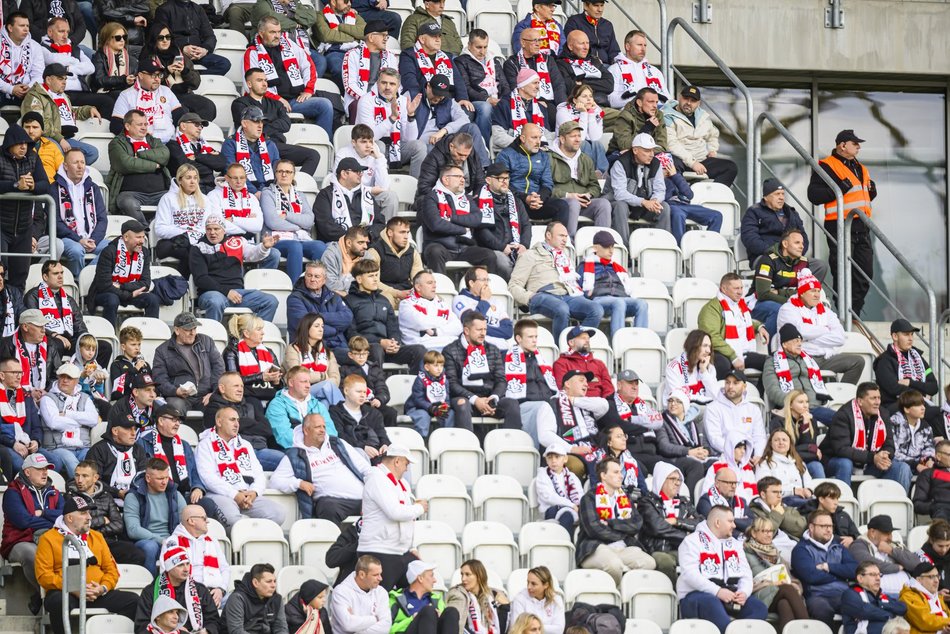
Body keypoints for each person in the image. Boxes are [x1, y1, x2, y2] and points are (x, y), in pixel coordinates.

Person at [35, 492, 139, 634]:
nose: (89, 517)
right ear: (70, 518)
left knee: (133, 600)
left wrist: (102, 588)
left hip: (95, 593)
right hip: (67, 593)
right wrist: (73, 588)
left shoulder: (97, 537)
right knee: (57, 602)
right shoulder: (48, 538)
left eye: (89, 513)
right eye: (83, 513)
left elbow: (112, 570)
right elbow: (44, 576)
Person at [807, 129, 876, 317]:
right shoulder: (826, 166)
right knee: (842, 271)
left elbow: (862, 195)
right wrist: (838, 189)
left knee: (865, 273)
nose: (858, 146)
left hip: (862, 226)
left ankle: (853, 311)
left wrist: (872, 192)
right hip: (839, 225)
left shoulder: (861, 168)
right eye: (855, 143)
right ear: (842, 145)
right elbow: (813, 195)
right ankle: (844, 312)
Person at [677, 505, 768, 633]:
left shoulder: (735, 544)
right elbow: (690, 575)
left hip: (730, 594)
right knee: (712, 603)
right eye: (730, 521)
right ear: (718, 523)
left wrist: (744, 592)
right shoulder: (691, 541)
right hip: (696, 596)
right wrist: (717, 591)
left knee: (759, 608)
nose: (734, 526)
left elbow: (746, 574)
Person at [508, 221, 603, 337]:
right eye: (561, 236)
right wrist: (530, 296)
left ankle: (574, 343)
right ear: (548, 235)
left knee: (596, 309)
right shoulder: (529, 255)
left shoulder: (565, 257)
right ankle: (561, 349)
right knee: (561, 309)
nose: (565, 240)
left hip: (568, 295)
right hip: (543, 295)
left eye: (566, 237)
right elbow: (513, 285)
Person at [196, 406, 286, 527]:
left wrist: (254, 492)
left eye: (238, 420)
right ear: (219, 422)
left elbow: (258, 473)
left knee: (278, 514)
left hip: (247, 495)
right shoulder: (205, 445)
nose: (237, 424)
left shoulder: (245, 444)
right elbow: (208, 478)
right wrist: (234, 494)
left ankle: (254, 542)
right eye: (232, 420)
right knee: (232, 520)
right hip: (220, 494)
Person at [270, 412, 368, 522]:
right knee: (327, 507)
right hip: (334, 503)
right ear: (306, 430)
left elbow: (364, 468)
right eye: (318, 427)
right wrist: (299, 483)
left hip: (364, 500)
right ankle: (335, 539)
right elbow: (275, 480)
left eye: (324, 427)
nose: (323, 430)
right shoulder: (295, 455)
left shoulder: (337, 443)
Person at [244, 17, 334, 137]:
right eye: (272, 32)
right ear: (261, 33)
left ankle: (324, 142)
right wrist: (277, 99)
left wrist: (308, 90)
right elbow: (251, 85)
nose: (277, 36)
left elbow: (309, 65)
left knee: (325, 105)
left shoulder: (289, 44)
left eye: (279, 31)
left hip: (294, 101)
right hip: (268, 104)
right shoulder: (252, 52)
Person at [575, 456, 656, 583]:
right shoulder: (589, 498)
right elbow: (594, 530)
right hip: (596, 548)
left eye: (620, 472)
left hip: (623, 547)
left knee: (649, 563)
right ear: (603, 475)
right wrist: (623, 532)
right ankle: (616, 596)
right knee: (614, 565)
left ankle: (629, 595)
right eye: (616, 472)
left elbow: (637, 524)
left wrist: (610, 523)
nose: (621, 476)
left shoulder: (625, 498)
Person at [357, 446, 427, 590]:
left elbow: (406, 516)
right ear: (397, 461)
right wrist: (420, 508)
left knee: (419, 586)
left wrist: (411, 547)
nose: (407, 469)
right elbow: (395, 512)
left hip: (398, 550)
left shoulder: (401, 484)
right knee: (378, 598)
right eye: (406, 464)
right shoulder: (377, 478)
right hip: (379, 550)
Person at [777, 269, 865, 383]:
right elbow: (798, 333)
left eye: (818, 291)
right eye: (813, 291)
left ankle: (843, 396)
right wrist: (825, 330)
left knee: (858, 361)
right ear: (802, 293)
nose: (817, 295)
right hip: (800, 358)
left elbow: (840, 338)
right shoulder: (788, 309)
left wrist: (808, 339)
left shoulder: (826, 311)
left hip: (824, 357)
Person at [820, 381, 911, 490]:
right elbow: (842, 449)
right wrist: (873, 457)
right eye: (873, 398)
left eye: (879, 398)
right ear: (860, 401)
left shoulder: (883, 414)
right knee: (845, 463)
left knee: (902, 468)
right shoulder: (843, 415)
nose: (877, 402)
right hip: (836, 461)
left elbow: (889, 444)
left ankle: (895, 503)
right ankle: (843, 502)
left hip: (869, 462)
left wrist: (885, 455)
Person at [0, 453, 63, 611]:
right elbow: (23, 521)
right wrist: (54, 521)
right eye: (39, 469)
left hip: (49, 538)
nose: (45, 472)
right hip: (19, 541)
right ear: (27, 472)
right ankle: (50, 595)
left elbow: (65, 516)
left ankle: (41, 598)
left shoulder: (55, 492)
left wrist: (43, 513)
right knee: (33, 554)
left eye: (46, 469)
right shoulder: (13, 492)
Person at [189, 215, 280, 323]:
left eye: (216, 229)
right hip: (211, 293)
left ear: (224, 230)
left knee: (270, 301)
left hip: (238, 294)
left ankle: (253, 337)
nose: (212, 232)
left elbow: (253, 254)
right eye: (209, 229)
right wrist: (226, 292)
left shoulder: (237, 242)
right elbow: (201, 278)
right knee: (216, 301)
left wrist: (264, 247)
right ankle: (214, 338)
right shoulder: (197, 248)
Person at [233, 69, 321, 177]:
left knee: (313, 155)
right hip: (253, 147)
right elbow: (248, 128)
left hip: (278, 145)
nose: (264, 84)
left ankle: (295, 186)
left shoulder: (276, 104)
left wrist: (264, 126)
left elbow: (286, 124)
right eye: (259, 80)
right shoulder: (240, 103)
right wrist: (273, 123)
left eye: (265, 80)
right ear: (249, 84)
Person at [344, 258, 427, 372]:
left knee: (419, 350)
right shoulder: (349, 301)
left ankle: (417, 387)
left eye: (376, 275)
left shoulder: (384, 300)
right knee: (377, 349)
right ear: (359, 279)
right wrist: (380, 342)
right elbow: (351, 333)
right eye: (371, 276)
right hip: (366, 348)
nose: (375, 279)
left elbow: (393, 327)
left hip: (388, 348)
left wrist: (394, 342)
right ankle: (378, 387)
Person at [138, 404, 216, 521]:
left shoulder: (184, 445)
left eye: (179, 421)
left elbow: (194, 471)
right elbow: (142, 473)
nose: (177, 424)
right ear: (160, 420)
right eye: (173, 420)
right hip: (160, 494)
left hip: (184, 493)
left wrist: (197, 488)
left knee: (208, 504)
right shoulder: (144, 443)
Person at [419, 165, 499, 276]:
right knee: (435, 252)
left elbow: (477, 219)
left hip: (465, 247)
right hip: (440, 245)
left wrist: (451, 218)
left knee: (489, 255)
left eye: (463, 177)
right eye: (458, 176)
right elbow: (436, 224)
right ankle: (440, 291)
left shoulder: (467, 198)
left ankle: (483, 290)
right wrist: (462, 229)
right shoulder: (430, 198)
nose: (463, 180)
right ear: (446, 179)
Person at [741, 178, 828, 280]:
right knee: (774, 265)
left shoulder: (791, 213)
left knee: (820, 266)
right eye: (777, 194)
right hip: (765, 257)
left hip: (792, 258)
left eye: (783, 194)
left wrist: (797, 254)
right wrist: (775, 253)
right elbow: (750, 239)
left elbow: (803, 237)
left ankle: (801, 292)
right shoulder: (754, 212)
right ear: (766, 197)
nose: (781, 197)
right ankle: (785, 293)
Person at [0, 123, 50, 290]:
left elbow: (46, 185)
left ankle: (15, 311)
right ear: (9, 144)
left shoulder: (33, 157)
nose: (24, 146)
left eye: (26, 143)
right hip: (1, 227)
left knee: (20, 276)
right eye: (20, 143)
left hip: (24, 228)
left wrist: (32, 186)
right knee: (0, 271)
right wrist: (15, 185)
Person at [790, 509, 859, 629]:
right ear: (811, 527)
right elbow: (811, 576)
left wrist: (828, 567)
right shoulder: (801, 549)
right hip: (817, 595)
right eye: (823, 526)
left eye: (830, 526)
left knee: (860, 605)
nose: (828, 530)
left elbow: (855, 571)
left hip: (843, 593)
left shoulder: (839, 545)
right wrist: (841, 574)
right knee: (822, 610)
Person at [22, 63, 101, 165]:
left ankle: (69, 173)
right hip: (47, 138)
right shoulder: (35, 95)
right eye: (60, 79)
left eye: (65, 79)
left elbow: (70, 113)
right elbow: (38, 123)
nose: (64, 82)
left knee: (92, 153)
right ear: (48, 80)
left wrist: (88, 110)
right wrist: (60, 139)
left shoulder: (62, 95)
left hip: (66, 138)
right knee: (59, 154)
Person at [69, 460, 145, 566]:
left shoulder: (106, 496)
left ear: (95, 478)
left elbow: (118, 525)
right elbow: (76, 525)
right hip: (84, 543)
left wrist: (97, 532)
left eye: (85, 476)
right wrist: (103, 520)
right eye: (77, 475)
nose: (79, 480)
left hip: (108, 541)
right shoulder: (70, 497)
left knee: (137, 554)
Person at [135, 543, 223, 634]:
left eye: (187, 564)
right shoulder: (151, 592)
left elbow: (214, 621)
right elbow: (141, 626)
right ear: (169, 568)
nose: (186, 569)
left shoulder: (200, 590)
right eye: (180, 565)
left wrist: (207, 631)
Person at [875, 318, 942, 433]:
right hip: (894, 406)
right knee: (936, 413)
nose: (910, 338)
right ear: (895, 336)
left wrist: (911, 382)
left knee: (941, 414)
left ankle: (938, 446)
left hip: (918, 404)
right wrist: (921, 393)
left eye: (912, 334)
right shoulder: (884, 360)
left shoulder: (918, 358)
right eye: (906, 334)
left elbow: (934, 387)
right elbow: (893, 389)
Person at [743, 516, 809, 633]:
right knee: (786, 589)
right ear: (754, 533)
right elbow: (745, 583)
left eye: (771, 531)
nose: (769, 535)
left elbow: (790, 578)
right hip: (758, 595)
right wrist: (771, 583)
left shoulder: (776, 552)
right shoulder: (744, 553)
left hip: (778, 593)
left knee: (784, 604)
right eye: (764, 531)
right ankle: (809, 629)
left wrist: (794, 585)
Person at [661, 85, 737, 186]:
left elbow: (713, 134)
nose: (688, 103)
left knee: (730, 167)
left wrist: (712, 149)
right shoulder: (666, 115)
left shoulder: (703, 116)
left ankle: (711, 196)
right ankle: (678, 198)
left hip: (701, 160)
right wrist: (692, 163)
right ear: (679, 97)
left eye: (693, 100)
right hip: (680, 159)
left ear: (698, 103)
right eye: (686, 98)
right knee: (671, 164)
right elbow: (671, 144)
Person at [752, 226, 821, 337]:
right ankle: (768, 348)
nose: (801, 246)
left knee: (817, 308)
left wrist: (780, 292)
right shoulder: (768, 260)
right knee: (780, 310)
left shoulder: (803, 262)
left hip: (785, 299)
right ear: (785, 244)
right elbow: (763, 294)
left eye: (802, 243)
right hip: (757, 303)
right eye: (797, 243)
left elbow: (804, 291)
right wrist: (790, 301)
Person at [49, 150, 108, 279]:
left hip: (92, 238)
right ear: (65, 166)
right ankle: (79, 281)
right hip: (68, 238)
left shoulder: (93, 188)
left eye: (82, 162)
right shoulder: (54, 188)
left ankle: (86, 278)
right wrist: (79, 240)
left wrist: (95, 240)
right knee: (76, 250)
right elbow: (55, 222)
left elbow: (102, 219)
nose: (80, 166)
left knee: (112, 247)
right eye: (76, 162)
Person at [638, 461, 700, 583]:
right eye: (673, 479)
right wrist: (686, 535)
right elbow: (657, 527)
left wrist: (676, 521)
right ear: (661, 480)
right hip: (656, 549)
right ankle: (673, 595)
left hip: (682, 549)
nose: (677, 483)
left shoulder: (684, 503)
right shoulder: (646, 502)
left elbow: (701, 523)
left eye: (679, 480)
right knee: (664, 561)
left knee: (703, 559)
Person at [578, 231, 650, 337]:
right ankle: (618, 340)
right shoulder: (585, 265)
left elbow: (627, 290)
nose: (611, 250)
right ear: (596, 247)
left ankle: (640, 339)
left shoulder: (617, 267)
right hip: (598, 300)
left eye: (612, 246)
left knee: (642, 304)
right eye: (607, 247)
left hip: (620, 298)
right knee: (619, 303)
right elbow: (579, 288)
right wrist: (587, 294)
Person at [152, 312, 225, 415]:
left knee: (219, 406)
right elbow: (159, 379)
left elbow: (219, 368)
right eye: (188, 330)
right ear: (177, 330)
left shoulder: (206, 341)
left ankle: (211, 432)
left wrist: (214, 393)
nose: (193, 333)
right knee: (173, 407)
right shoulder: (162, 350)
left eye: (194, 328)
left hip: (206, 394)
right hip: (179, 396)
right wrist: (176, 391)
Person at [123, 458, 187, 575]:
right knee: (150, 547)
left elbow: (186, 521)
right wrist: (162, 541)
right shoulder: (134, 497)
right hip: (147, 541)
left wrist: (174, 540)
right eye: (160, 479)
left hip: (173, 539)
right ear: (148, 478)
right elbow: (133, 530)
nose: (164, 482)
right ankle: (151, 586)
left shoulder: (174, 494)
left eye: (166, 478)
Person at [498, 123, 569, 227]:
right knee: (514, 204)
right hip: (515, 201)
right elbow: (502, 183)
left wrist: (539, 199)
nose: (538, 142)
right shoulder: (506, 155)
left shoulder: (543, 156)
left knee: (562, 206)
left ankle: (555, 238)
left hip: (536, 202)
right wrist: (525, 198)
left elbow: (547, 184)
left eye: (540, 138)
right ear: (523, 138)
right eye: (534, 138)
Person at [699, 273, 769, 377]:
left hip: (742, 352)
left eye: (741, 288)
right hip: (720, 353)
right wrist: (733, 357)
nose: (740, 292)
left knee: (773, 363)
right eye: (736, 288)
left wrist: (759, 326)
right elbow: (711, 337)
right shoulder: (710, 309)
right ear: (724, 288)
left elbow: (743, 322)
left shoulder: (739, 305)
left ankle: (758, 392)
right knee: (723, 367)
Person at [107, 109, 172, 221]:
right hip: (130, 194)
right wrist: (155, 165)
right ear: (127, 126)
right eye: (139, 124)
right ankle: (143, 232)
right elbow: (126, 164)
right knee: (128, 203)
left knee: (175, 200)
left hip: (160, 193)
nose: (144, 127)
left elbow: (164, 155)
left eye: (145, 124)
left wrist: (140, 154)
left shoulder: (153, 141)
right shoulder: (117, 143)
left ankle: (154, 229)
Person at [764, 323, 835, 426]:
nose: (799, 343)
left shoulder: (807, 359)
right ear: (784, 344)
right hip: (791, 409)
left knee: (841, 419)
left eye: (800, 340)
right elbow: (772, 390)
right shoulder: (772, 362)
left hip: (814, 407)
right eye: (795, 341)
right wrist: (793, 403)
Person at [605, 132, 672, 242]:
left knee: (663, 207)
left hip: (644, 204)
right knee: (620, 206)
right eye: (647, 150)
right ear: (635, 150)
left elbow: (660, 189)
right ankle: (624, 248)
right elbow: (619, 194)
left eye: (652, 150)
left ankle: (662, 246)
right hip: (619, 203)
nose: (651, 154)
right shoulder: (620, 163)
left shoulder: (656, 163)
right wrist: (643, 202)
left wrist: (654, 201)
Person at [160, 504, 231, 606]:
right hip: (187, 595)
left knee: (239, 600)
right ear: (191, 521)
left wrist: (221, 589)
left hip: (216, 594)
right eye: (204, 518)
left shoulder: (212, 541)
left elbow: (225, 568)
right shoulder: (172, 542)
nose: (208, 521)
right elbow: (167, 574)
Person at [335, 123, 405, 223]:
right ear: (353, 143)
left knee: (390, 196)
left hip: (370, 196)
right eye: (363, 142)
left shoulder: (376, 155)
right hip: (349, 196)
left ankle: (386, 232)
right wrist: (370, 190)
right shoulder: (343, 154)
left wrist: (378, 159)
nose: (368, 145)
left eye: (370, 141)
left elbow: (384, 187)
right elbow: (340, 184)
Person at [550, 121, 611, 234]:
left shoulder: (585, 159)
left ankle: (602, 244)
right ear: (562, 139)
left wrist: (588, 195)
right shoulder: (549, 158)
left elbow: (595, 186)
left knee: (603, 204)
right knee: (573, 203)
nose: (578, 139)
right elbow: (547, 187)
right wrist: (569, 195)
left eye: (579, 136)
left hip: (584, 202)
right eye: (573, 136)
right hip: (562, 203)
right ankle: (569, 244)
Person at [38, 363, 97, 477]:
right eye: (62, 376)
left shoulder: (85, 398)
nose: (65, 380)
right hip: (57, 447)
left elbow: (93, 420)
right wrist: (81, 420)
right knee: (72, 462)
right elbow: (54, 423)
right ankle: (79, 490)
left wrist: (67, 414)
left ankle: (96, 490)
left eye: (69, 378)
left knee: (94, 460)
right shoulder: (47, 398)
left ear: (76, 381)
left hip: (83, 446)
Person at [110, 58, 185, 145]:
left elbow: (180, 118)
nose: (157, 79)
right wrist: (137, 138)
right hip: (141, 144)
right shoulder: (126, 95)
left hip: (170, 143)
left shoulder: (166, 91)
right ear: (141, 75)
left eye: (159, 75)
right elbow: (116, 125)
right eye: (153, 75)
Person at [455, 30, 509, 146]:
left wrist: (504, 100)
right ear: (469, 45)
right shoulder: (461, 61)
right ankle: (483, 146)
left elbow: (505, 85)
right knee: (486, 108)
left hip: (497, 99)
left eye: (485, 47)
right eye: (478, 47)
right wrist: (487, 99)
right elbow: (466, 88)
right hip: (476, 101)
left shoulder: (494, 60)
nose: (483, 51)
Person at [153, 164, 208, 280]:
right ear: (180, 180)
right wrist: (185, 233)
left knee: (196, 251)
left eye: (195, 178)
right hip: (171, 242)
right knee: (193, 252)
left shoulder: (205, 199)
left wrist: (192, 236)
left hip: (196, 241)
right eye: (188, 178)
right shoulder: (168, 198)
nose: (192, 181)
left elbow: (207, 226)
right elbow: (160, 228)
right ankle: (183, 286)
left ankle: (185, 286)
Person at [313, 159, 385, 245]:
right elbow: (325, 225)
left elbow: (380, 222)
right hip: (337, 244)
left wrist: (368, 236)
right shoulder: (326, 194)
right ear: (344, 174)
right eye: (357, 171)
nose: (361, 174)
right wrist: (353, 239)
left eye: (361, 172)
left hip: (367, 243)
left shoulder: (366, 195)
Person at [25, 259, 88, 355]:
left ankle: (90, 370)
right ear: (45, 276)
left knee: (103, 347)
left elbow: (79, 324)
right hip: (47, 338)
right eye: (55, 273)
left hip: (69, 339)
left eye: (62, 273)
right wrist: (55, 335)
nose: (60, 276)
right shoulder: (32, 296)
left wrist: (86, 338)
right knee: (57, 345)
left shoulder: (68, 299)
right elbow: (33, 324)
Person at [415, 131, 486, 214]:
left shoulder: (472, 155)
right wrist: (450, 199)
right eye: (460, 154)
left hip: (462, 197)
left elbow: (480, 182)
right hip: (438, 197)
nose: (463, 158)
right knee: (425, 200)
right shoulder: (434, 157)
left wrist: (477, 197)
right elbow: (424, 187)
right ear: (451, 146)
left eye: (466, 155)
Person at [153, 0, 230, 76]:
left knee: (224, 64)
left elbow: (210, 36)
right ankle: (191, 81)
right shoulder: (164, 9)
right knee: (179, 67)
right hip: (175, 53)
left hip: (198, 53)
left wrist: (204, 49)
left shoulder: (198, 9)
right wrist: (182, 48)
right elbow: (160, 38)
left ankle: (196, 81)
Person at [265, 365, 334, 449]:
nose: (308, 385)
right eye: (304, 382)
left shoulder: (317, 404)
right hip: (290, 452)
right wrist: (311, 447)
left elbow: (331, 431)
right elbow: (284, 436)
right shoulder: (276, 405)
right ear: (291, 383)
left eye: (309, 382)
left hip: (321, 452)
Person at [85, 411, 147, 502]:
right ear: (115, 431)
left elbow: (143, 476)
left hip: (137, 500)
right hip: (104, 501)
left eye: (134, 429)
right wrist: (117, 492)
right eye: (128, 429)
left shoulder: (138, 450)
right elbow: (93, 481)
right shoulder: (98, 450)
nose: (134, 433)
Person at [850, 514, 919, 596]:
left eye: (891, 534)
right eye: (886, 534)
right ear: (872, 532)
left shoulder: (893, 545)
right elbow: (870, 565)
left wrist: (891, 551)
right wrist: (899, 567)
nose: (890, 538)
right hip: (881, 595)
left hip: (908, 593)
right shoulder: (858, 545)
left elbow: (916, 564)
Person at [287, 262, 354, 346]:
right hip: (311, 347)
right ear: (305, 277)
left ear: (324, 280)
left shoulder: (334, 296)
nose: (312, 279)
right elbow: (305, 326)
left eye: (317, 276)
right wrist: (335, 330)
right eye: (309, 275)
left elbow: (347, 317)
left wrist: (319, 316)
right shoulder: (295, 298)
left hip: (339, 344)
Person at [705, 368, 766, 458]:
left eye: (735, 383)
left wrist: (758, 455)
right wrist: (737, 453)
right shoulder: (712, 408)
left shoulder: (753, 409)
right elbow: (715, 439)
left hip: (751, 456)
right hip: (724, 456)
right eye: (727, 382)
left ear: (744, 386)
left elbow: (759, 437)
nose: (730, 386)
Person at [284, 313, 343, 405]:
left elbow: (335, 378)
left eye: (322, 327)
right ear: (306, 328)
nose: (321, 330)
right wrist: (322, 376)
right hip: (298, 391)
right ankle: (345, 413)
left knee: (324, 402)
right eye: (316, 326)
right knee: (327, 386)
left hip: (321, 392)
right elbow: (297, 375)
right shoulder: (293, 349)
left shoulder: (328, 353)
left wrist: (321, 381)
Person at [365, 218, 425, 309]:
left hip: (406, 294)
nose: (406, 236)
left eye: (407, 232)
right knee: (386, 300)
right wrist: (397, 293)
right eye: (402, 232)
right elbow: (373, 282)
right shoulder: (374, 251)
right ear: (390, 233)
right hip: (383, 294)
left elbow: (419, 278)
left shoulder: (413, 252)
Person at [341, 19, 396, 117]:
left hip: (385, 99)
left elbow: (396, 83)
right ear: (371, 37)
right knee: (359, 105)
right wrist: (369, 100)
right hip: (359, 99)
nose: (386, 39)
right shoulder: (352, 55)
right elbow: (350, 85)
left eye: (387, 36)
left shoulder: (391, 57)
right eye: (383, 35)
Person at [388, 559, 460, 634]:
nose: (435, 580)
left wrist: (439, 618)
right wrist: (412, 619)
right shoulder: (395, 599)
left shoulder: (436, 600)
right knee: (428, 611)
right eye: (431, 576)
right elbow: (387, 629)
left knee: (451, 611)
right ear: (420, 578)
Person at [221, 108, 281, 196]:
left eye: (262, 122)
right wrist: (254, 192)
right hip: (242, 192)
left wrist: (271, 193)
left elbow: (278, 171)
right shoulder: (230, 144)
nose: (260, 125)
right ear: (244, 123)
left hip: (270, 192)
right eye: (256, 121)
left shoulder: (270, 144)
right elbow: (231, 172)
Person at [223, 314, 282, 402]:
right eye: (259, 329)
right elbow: (233, 380)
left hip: (271, 394)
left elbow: (281, 385)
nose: (263, 333)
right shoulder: (232, 351)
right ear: (246, 333)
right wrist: (261, 377)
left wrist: (276, 381)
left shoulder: (269, 352)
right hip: (247, 397)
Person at [166, 113, 225, 197]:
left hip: (211, 188)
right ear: (183, 126)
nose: (200, 128)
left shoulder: (203, 145)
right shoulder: (173, 145)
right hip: (186, 191)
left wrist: (197, 157)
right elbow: (185, 168)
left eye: (201, 126)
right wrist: (209, 165)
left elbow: (221, 163)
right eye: (196, 124)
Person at [841, 561, 908, 634]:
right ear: (860, 578)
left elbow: (902, 608)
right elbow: (865, 611)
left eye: (879, 575)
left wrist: (879, 604)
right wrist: (890, 614)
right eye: (873, 575)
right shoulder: (850, 594)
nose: (878, 578)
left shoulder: (881, 596)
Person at [330, 554, 391, 633]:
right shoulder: (341, 592)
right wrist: (376, 618)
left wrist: (355, 626)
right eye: (375, 575)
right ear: (362, 574)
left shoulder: (381, 592)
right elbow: (348, 625)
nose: (380, 578)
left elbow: (385, 628)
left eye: (380, 574)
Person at [445, 559, 510, 634]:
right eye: (462, 574)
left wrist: (505, 606)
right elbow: (457, 626)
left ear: (479, 576)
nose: (463, 579)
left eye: (467, 574)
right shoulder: (458, 594)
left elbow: (500, 630)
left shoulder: (493, 595)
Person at [555, 83, 608, 173]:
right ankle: (587, 173)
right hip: (566, 144)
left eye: (590, 96)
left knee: (597, 144)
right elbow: (578, 138)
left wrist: (591, 113)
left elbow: (595, 137)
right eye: (584, 96)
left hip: (584, 142)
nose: (589, 99)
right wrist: (583, 113)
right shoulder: (563, 112)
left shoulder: (596, 110)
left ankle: (601, 174)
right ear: (575, 100)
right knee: (584, 144)